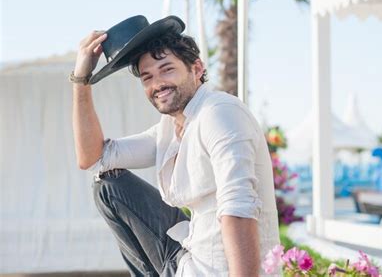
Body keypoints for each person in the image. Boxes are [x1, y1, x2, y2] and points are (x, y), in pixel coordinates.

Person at [71, 15, 280, 277]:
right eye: (147, 77)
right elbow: (93, 159)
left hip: (222, 272)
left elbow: (238, 207)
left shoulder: (219, 113)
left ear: (197, 68)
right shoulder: (171, 128)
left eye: (167, 69)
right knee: (108, 187)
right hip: (188, 262)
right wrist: (81, 81)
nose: (157, 84)